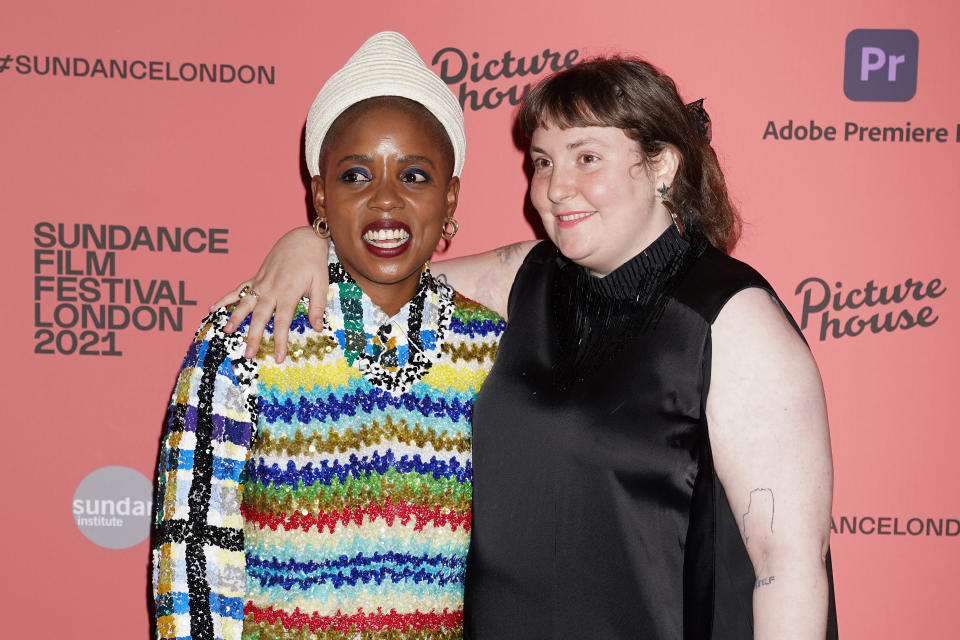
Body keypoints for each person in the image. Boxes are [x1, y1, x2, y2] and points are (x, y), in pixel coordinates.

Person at [216, 57, 838, 639]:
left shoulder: (731, 318)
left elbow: (786, 567)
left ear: (661, 167)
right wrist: (308, 241)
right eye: (542, 162)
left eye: (586, 156)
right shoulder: (530, 279)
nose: (556, 187)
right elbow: (388, 268)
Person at [151, 32, 504, 640]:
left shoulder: (495, 350)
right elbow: (191, 556)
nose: (386, 200)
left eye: (415, 176)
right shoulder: (246, 333)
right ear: (319, 194)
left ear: (451, 198)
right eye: (355, 176)